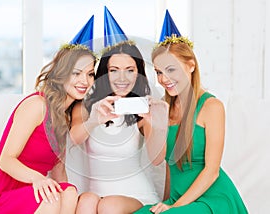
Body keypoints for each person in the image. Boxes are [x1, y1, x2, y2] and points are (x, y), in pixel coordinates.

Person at [0, 16, 97, 214]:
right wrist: (38, 178)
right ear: (62, 73)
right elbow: (5, 160)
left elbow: (58, 173)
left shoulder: (63, 120)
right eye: (76, 73)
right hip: (1, 196)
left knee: (69, 192)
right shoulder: (37, 105)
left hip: (36, 193)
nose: (85, 80)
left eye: (90, 74)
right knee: (52, 200)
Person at [134, 10, 248, 214]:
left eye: (171, 69)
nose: (163, 79)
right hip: (178, 199)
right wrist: (166, 201)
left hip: (211, 199)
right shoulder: (163, 108)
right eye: (159, 72)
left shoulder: (212, 107)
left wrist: (173, 207)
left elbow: (211, 171)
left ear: (191, 66)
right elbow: (165, 163)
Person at [70, 7, 169, 214]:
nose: (121, 78)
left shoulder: (142, 110)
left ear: (138, 74)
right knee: (87, 200)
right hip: (97, 197)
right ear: (104, 74)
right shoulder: (87, 107)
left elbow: (158, 159)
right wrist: (95, 119)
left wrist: (157, 124)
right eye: (114, 71)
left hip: (135, 198)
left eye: (129, 70)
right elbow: (69, 141)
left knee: (108, 205)